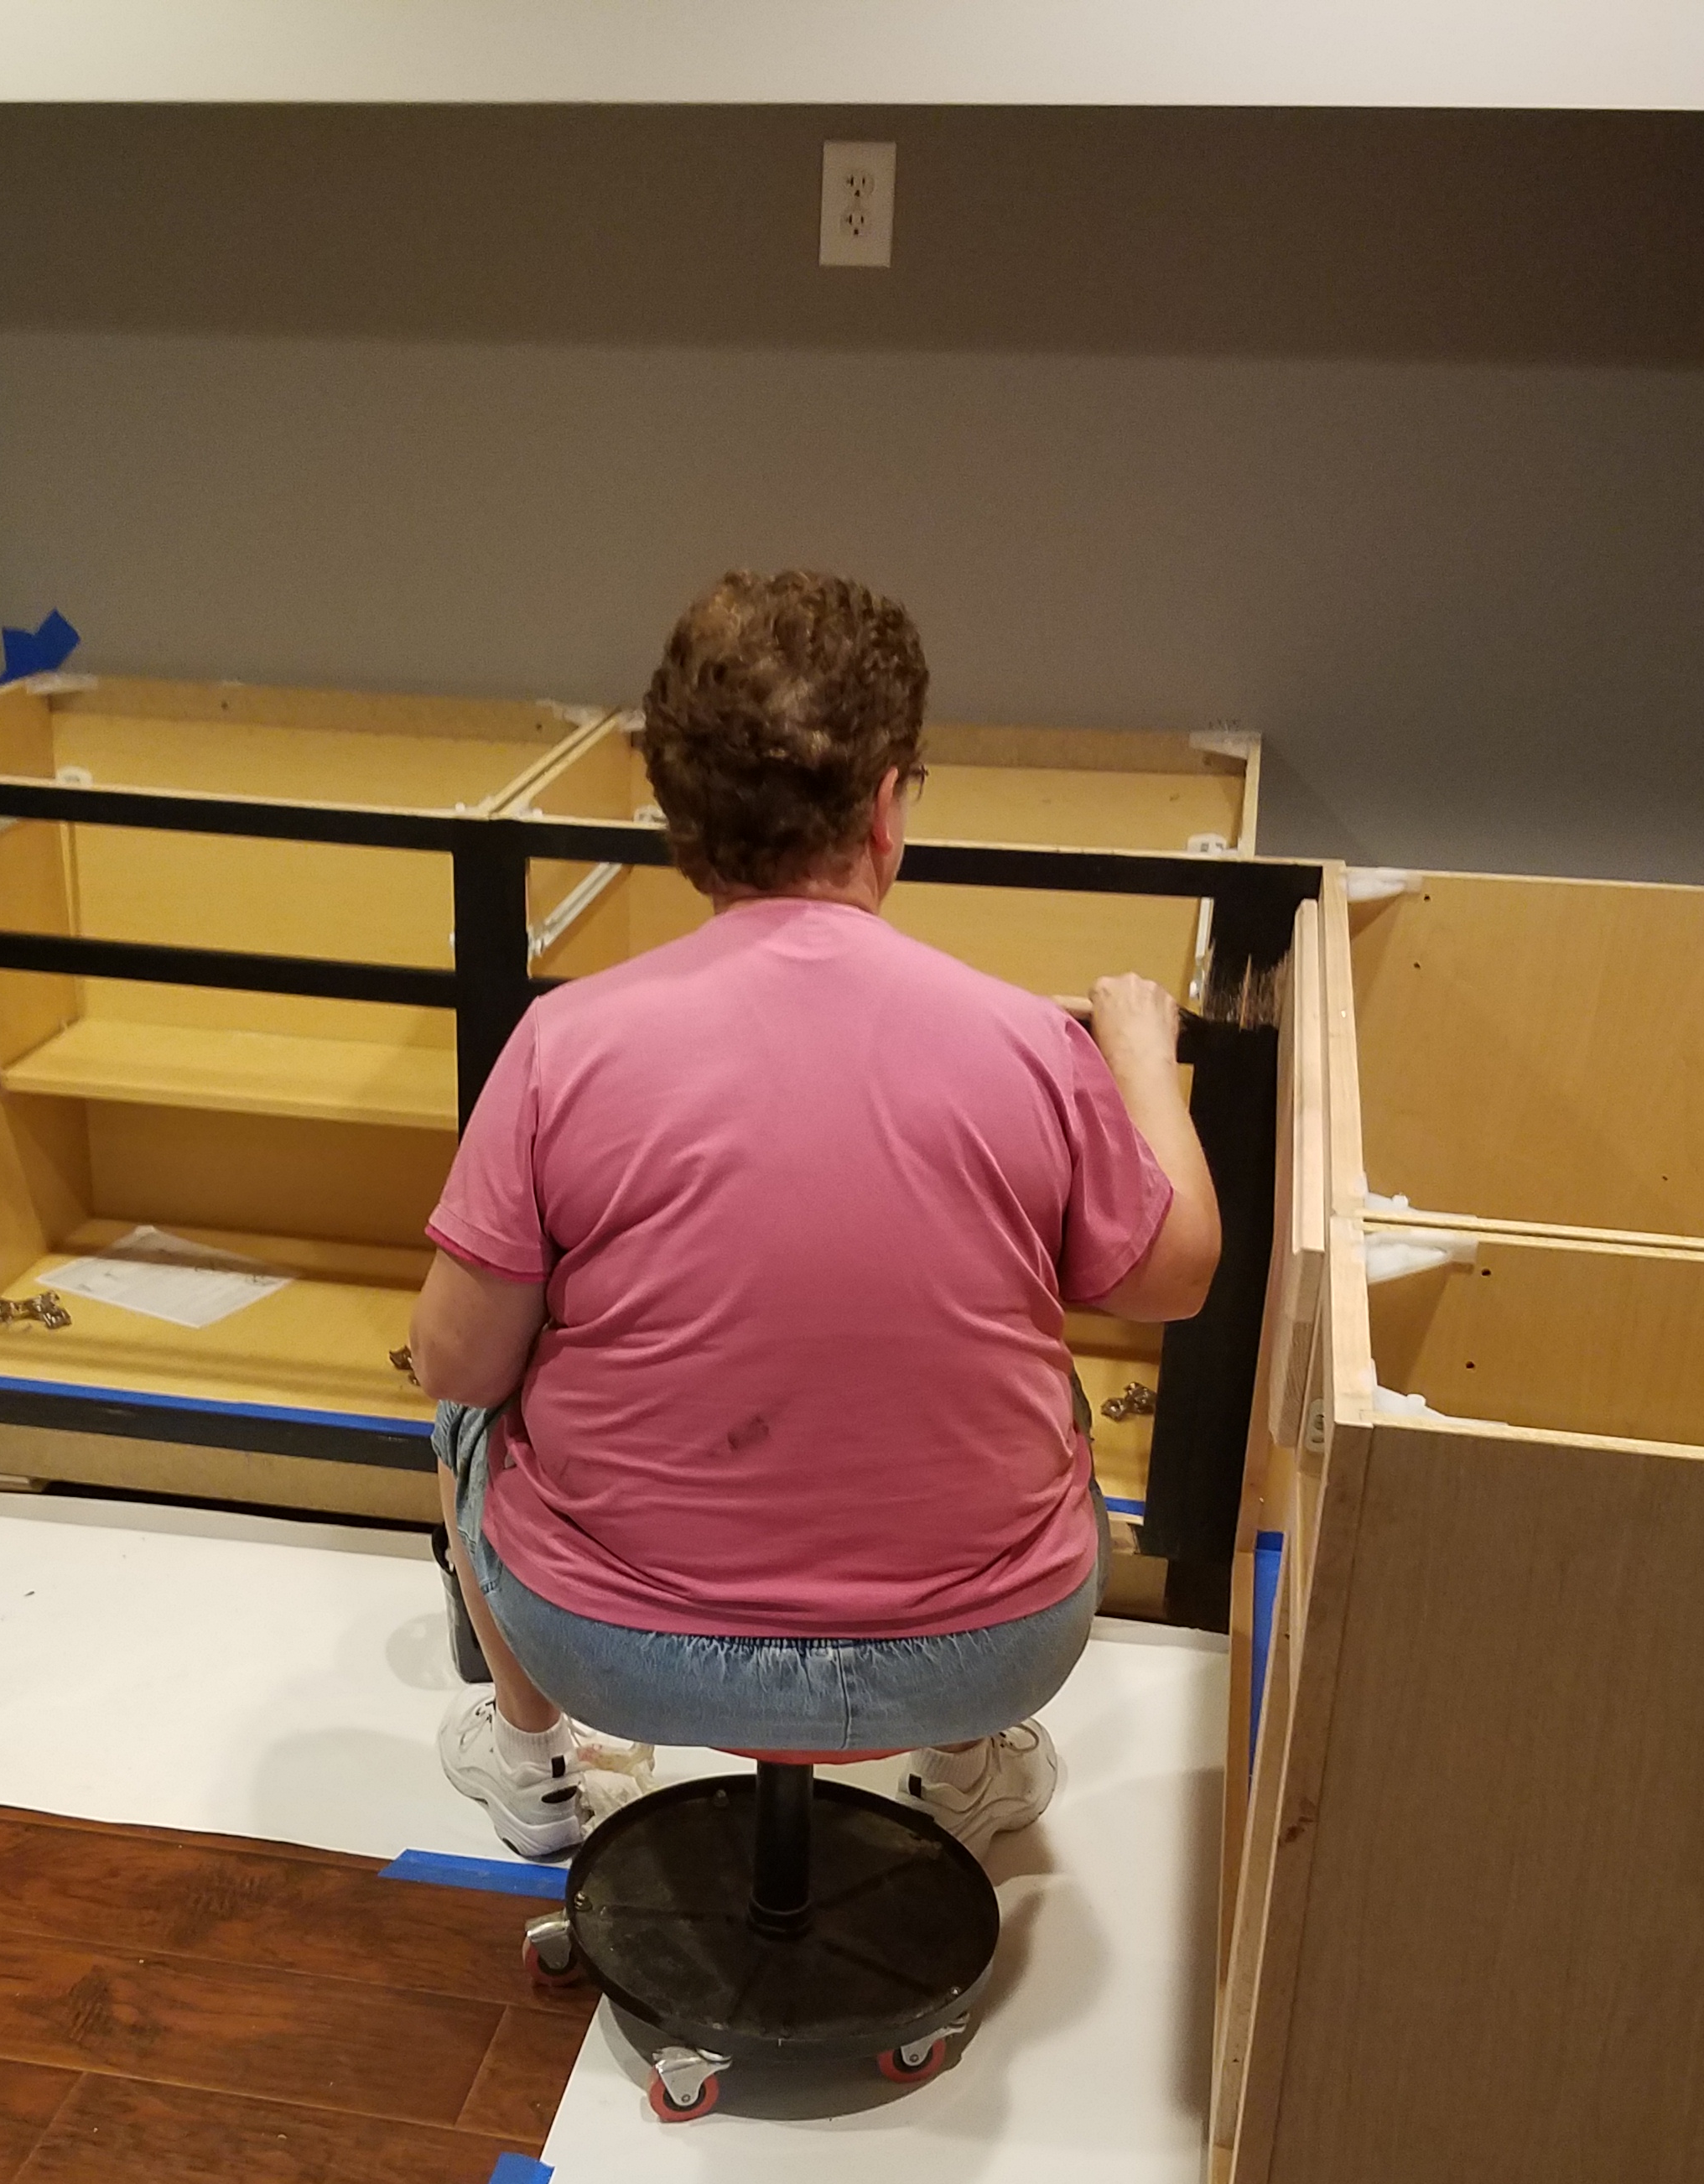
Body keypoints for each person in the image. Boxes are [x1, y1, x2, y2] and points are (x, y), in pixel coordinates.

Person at [408, 569, 1220, 1861]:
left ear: (678, 814)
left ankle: (537, 1767)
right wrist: (1140, 1055)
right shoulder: (1025, 1042)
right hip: (988, 1651)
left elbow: (457, 1361)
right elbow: (1173, 1277)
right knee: (1044, 1376)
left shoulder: (565, 1044)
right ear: (887, 805)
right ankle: (965, 1770)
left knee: (461, 1399)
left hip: (620, 1652)